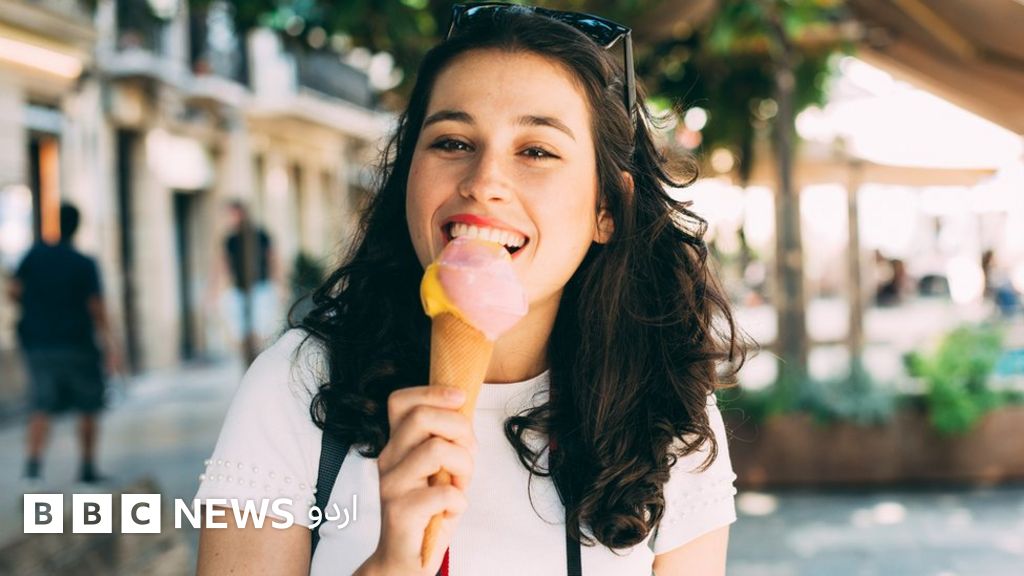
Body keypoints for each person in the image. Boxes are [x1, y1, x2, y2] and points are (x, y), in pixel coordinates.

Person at [196, 4, 745, 575]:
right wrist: (390, 564)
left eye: (536, 151)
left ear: (608, 208)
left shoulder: (668, 415)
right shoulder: (299, 383)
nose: (483, 183)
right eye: (453, 142)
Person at [8, 203, 119, 485]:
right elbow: (96, 306)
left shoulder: (34, 255)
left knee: (41, 404)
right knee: (88, 405)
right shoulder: (84, 263)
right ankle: (87, 468)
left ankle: (33, 467)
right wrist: (111, 343)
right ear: (78, 226)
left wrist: (34, 305)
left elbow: (13, 290)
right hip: (77, 344)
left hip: (39, 345)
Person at [214, 200, 282, 363]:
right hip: (239, 289)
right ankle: (248, 361)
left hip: (261, 287)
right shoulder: (230, 239)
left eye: (233, 215)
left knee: (261, 330)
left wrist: (279, 284)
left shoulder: (260, 235)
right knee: (240, 332)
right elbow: (223, 265)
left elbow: (273, 259)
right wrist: (217, 289)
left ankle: (260, 361)